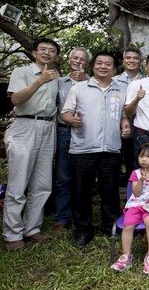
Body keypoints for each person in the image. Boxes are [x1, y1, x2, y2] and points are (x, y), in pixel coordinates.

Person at [61, 51, 132, 247]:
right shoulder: (79, 88)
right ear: (93, 67)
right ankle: (83, 230)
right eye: (99, 63)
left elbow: (123, 115)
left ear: (114, 68)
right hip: (83, 149)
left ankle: (110, 224)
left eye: (107, 64)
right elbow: (65, 113)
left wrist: (125, 124)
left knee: (109, 190)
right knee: (82, 192)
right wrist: (72, 120)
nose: (103, 66)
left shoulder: (120, 90)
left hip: (111, 149)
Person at [2, 38, 60, 251]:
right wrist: (39, 81)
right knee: (18, 183)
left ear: (56, 56)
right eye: (43, 49)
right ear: (34, 52)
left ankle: (31, 229)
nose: (47, 53)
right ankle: (12, 233)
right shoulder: (22, 72)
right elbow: (16, 100)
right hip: (25, 126)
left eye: (52, 50)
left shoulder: (56, 77)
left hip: (48, 127)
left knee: (43, 183)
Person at [111, 142, 149, 275]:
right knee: (128, 225)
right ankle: (126, 257)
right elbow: (136, 193)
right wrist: (141, 181)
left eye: (148, 156)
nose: (144, 159)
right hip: (135, 205)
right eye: (141, 156)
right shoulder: (135, 174)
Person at [53, 47, 91, 236]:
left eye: (82, 59)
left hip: (85, 133)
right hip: (64, 132)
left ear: (87, 63)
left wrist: (85, 81)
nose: (78, 62)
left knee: (82, 177)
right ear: (69, 61)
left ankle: (82, 216)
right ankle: (62, 218)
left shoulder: (92, 83)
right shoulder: (59, 82)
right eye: (75, 58)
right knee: (63, 177)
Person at [114, 47, 144, 184]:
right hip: (115, 130)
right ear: (123, 61)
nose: (132, 60)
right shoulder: (113, 81)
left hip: (139, 131)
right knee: (113, 168)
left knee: (136, 168)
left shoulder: (146, 82)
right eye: (128, 58)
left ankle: (135, 202)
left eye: (135, 58)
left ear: (141, 62)